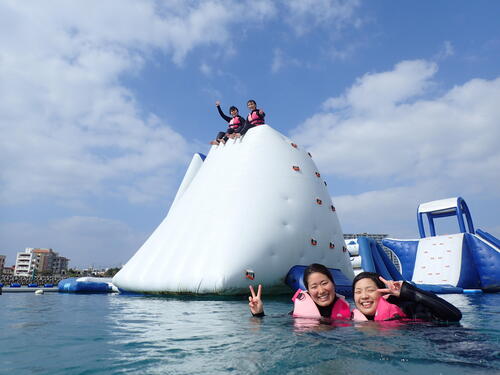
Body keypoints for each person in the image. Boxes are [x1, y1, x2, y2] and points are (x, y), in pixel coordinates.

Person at [248, 263, 351, 320]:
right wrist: (259, 314)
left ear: (333, 283)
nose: (321, 291)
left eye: (324, 283)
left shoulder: (351, 314)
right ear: (308, 291)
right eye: (314, 286)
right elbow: (274, 322)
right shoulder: (297, 314)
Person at [352, 272, 462, 322]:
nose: (364, 296)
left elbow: (455, 315)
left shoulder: (405, 308)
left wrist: (409, 292)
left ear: (383, 294)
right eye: (358, 292)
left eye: (370, 290)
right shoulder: (351, 320)